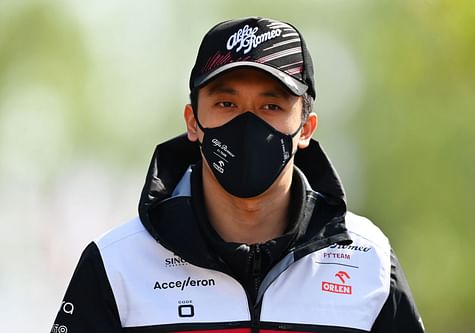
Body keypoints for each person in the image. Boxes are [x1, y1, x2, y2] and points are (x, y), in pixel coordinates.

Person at [51, 17, 425, 333]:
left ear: (306, 128)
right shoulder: (118, 265)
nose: (248, 124)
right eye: (226, 103)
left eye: (271, 105)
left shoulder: (367, 260)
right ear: (193, 122)